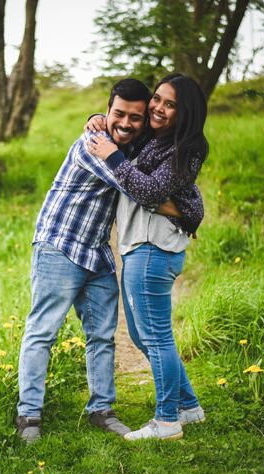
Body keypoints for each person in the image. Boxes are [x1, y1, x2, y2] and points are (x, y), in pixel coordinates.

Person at [15, 78, 201, 444]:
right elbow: (139, 189)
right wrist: (188, 212)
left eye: (136, 117)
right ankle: (28, 415)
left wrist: (189, 206)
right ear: (109, 109)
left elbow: (154, 176)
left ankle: (101, 409)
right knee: (43, 331)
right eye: (117, 113)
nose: (126, 123)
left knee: (102, 336)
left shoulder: (130, 150)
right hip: (60, 245)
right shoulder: (94, 146)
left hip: (97, 250)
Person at [85, 73, 208, 441]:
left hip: (154, 249)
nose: (158, 107)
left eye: (170, 104)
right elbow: (123, 125)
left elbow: (149, 190)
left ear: (185, 112)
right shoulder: (156, 140)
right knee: (142, 336)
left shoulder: (187, 148)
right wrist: (98, 119)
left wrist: (113, 156)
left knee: (156, 338)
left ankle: (167, 421)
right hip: (139, 248)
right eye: (158, 99)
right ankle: (189, 407)